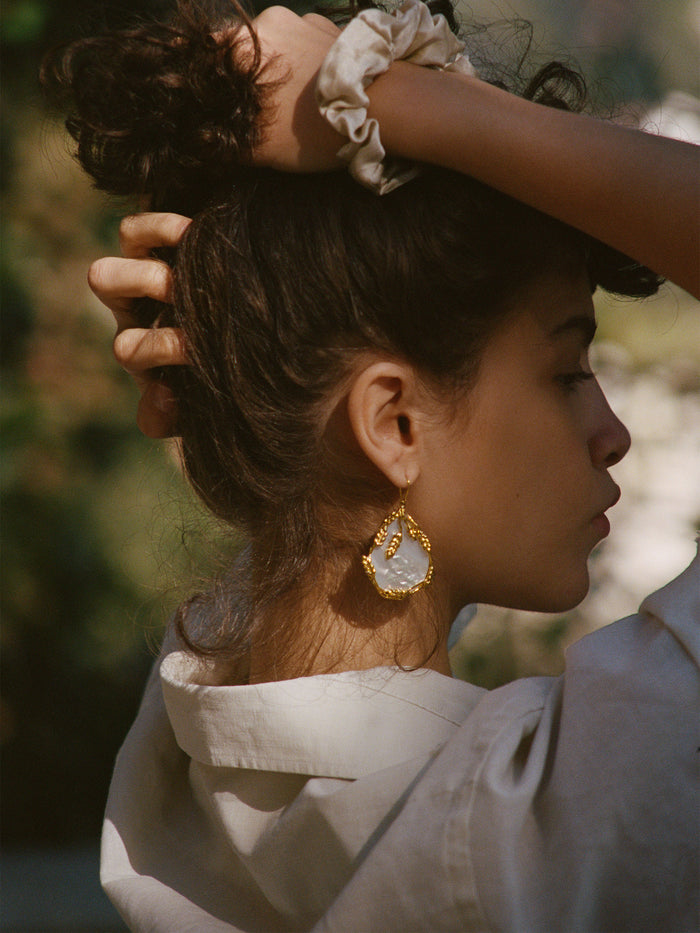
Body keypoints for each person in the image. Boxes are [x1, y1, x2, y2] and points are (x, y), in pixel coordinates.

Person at [43, 1, 699, 930]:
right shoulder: (578, 803)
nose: (612, 431)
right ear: (392, 421)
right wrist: (390, 97)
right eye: (566, 370)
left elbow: (328, 556)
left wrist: (244, 354)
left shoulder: (197, 746)